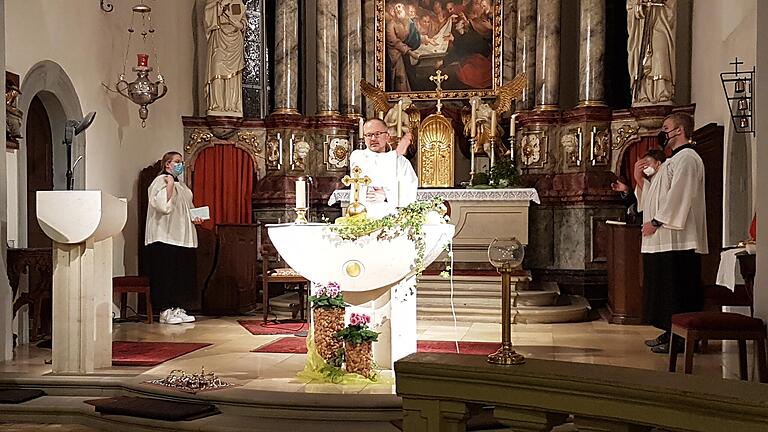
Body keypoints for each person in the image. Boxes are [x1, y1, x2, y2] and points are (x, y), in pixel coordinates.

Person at [635, 113, 707, 353]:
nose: (663, 132)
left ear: (679, 131)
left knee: (677, 289)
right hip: (664, 239)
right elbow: (657, 195)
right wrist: (639, 179)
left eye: (666, 127)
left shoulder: (687, 158)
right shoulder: (671, 161)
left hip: (678, 239)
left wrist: (656, 222)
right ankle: (670, 332)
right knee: (666, 290)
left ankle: (681, 339)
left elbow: (680, 195)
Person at [145, 151, 204, 324]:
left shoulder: (183, 186)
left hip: (183, 235)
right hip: (165, 235)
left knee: (181, 274)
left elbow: (188, 206)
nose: (181, 165)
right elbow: (163, 206)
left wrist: (196, 217)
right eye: (177, 161)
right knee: (166, 273)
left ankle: (178, 308)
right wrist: (169, 184)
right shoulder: (159, 182)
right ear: (167, 164)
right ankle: (165, 311)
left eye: (182, 162)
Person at [348, 118, 418, 219]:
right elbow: (374, 168)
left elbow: (409, 188)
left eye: (377, 134)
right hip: (363, 215)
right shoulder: (358, 156)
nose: (373, 139)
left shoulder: (402, 162)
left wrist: (387, 195)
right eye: (368, 135)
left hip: (391, 217)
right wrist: (397, 153)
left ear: (387, 136)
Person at [626, 0, 676, 105]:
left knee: (660, 54)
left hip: (660, 22)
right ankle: (643, 94)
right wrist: (639, 4)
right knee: (642, 56)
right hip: (642, 26)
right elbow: (631, 6)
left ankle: (662, 92)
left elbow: (671, 5)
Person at [204, 0, 246, 116]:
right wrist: (221, 5)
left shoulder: (238, 1)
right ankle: (217, 105)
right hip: (218, 38)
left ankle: (232, 105)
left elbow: (244, 21)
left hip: (235, 40)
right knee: (216, 67)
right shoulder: (213, 1)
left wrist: (240, 25)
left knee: (234, 76)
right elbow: (207, 19)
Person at [611, 149, 666, 223]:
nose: (645, 167)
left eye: (648, 163)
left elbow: (652, 198)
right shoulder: (648, 179)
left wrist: (638, 177)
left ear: (658, 163)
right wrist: (626, 190)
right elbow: (638, 202)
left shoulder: (664, 177)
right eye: (643, 165)